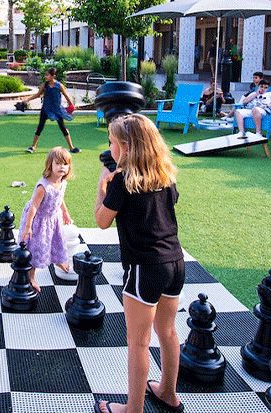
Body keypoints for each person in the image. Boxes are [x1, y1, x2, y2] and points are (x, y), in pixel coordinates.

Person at [94, 114, 184, 413]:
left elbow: (102, 221)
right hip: (174, 262)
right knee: (168, 331)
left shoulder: (121, 182)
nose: (110, 148)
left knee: (139, 343)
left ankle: (133, 409)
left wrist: (102, 187)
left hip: (144, 267)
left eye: (112, 142)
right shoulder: (166, 176)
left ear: (127, 148)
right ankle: (168, 393)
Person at [18, 147, 74, 293]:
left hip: (53, 219)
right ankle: (31, 277)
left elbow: (60, 198)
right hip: (38, 221)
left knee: (55, 241)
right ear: (50, 165)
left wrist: (65, 212)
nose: (62, 167)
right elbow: (34, 208)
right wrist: (28, 226)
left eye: (65, 164)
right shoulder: (44, 186)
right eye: (58, 163)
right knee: (36, 248)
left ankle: (58, 261)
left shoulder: (62, 182)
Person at [21, 68, 79, 154]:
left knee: (63, 128)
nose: (46, 76)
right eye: (45, 75)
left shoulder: (59, 85)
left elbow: (66, 95)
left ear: (53, 76)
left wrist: (71, 105)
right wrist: (27, 99)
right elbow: (38, 94)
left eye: (47, 75)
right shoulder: (45, 85)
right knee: (40, 127)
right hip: (46, 109)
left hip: (57, 109)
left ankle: (71, 147)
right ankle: (33, 147)